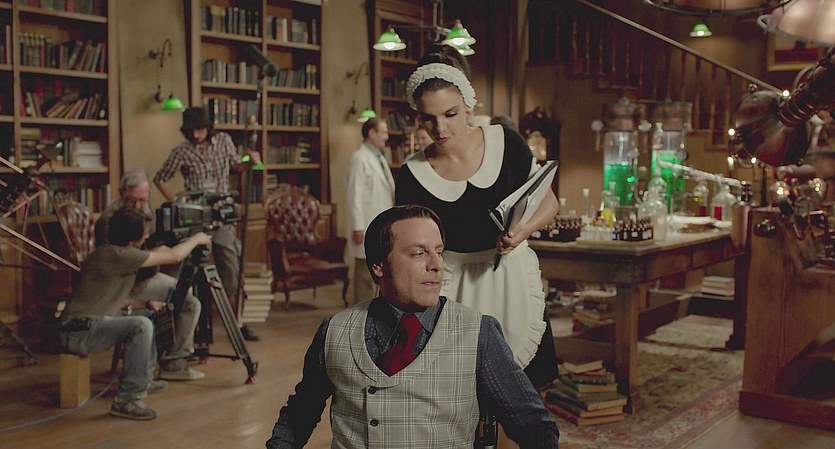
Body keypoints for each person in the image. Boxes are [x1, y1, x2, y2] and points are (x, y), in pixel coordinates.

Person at [265, 205, 559, 448]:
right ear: (379, 265)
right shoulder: (334, 331)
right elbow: (297, 418)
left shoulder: (478, 333)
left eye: (439, 252)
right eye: (419, 253)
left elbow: (535, 427)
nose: (437, 265)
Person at [396, 44, 560, 388]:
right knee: (461, 394)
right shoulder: (412, 175)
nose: (440, 127)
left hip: (511, 280)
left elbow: (549, 202)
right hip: (454, 289)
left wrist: (522, 230)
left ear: (468, 105)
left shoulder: (507, 143)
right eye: (428, 118)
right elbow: (408, 247)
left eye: (450, 114)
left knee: (525, 392)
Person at [59, 207, 212, 420]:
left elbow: (113, 299)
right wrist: (197, 239)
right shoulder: (116, 255)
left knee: (147, 317)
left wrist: (145, 302)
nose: (147, 235)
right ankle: (127, 400)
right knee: (140, 326)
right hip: (77, 331)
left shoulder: (113, 254)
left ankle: (144, 379)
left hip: (89, 324)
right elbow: (175, 256)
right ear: (132, 238)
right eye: (144, 232)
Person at [153, 106, 260, 341]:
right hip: (195, 218)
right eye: (191, 130)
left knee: (231, 269)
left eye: (200, 129)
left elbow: (238, 166)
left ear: (208, 128)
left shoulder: (224, 141)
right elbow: (160, 178)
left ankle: (238, 324)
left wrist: (250, 161)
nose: (196, 134)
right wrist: (178, 203)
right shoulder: (182, 151)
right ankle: (183, 328)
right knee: (186, 271)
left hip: (221, 215)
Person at [95, 168, 205, 381]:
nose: (138, 205)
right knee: (189, 302)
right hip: (124, 285)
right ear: (122, 193)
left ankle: (171, 357)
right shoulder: (109, 221)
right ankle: (172, 362)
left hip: (145, 275)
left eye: (143, 200)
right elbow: (117, 265)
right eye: (132, 200)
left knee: (186, 295)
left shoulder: (147, 212)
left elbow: (153, 245)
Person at [345, 117, 395, 305]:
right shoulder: (359, 159)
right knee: (364, 271)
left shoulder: (378, 157)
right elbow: (354, 195)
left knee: (378, 269)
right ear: (372, 134)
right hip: (366, 224)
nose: (386, 136)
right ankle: (360, 311)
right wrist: (358, 226)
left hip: (382, 222)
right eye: (383, 132)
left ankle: (375, 309)